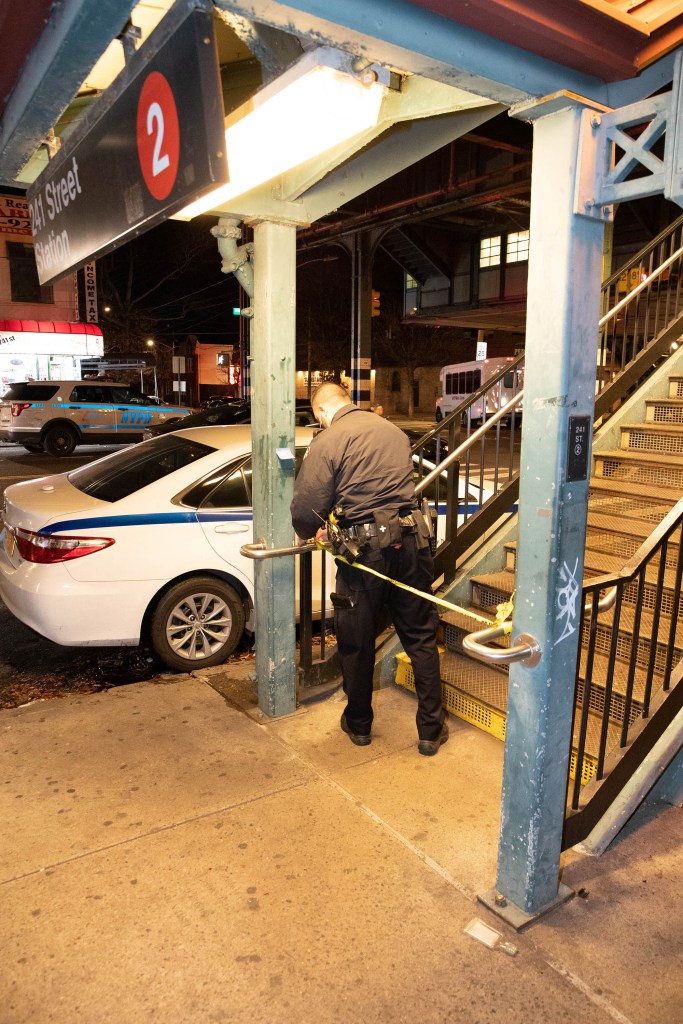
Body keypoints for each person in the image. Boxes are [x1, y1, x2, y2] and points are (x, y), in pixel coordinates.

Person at [291, 382, 447, 756]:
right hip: (412, 544)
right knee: (421, 637)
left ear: (322, 411)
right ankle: (430, 731)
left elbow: (306, 505)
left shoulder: (329, 440)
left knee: (357, 641)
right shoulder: (392, 431)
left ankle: (359, 724)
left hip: (364, 555)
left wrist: (305, 532)